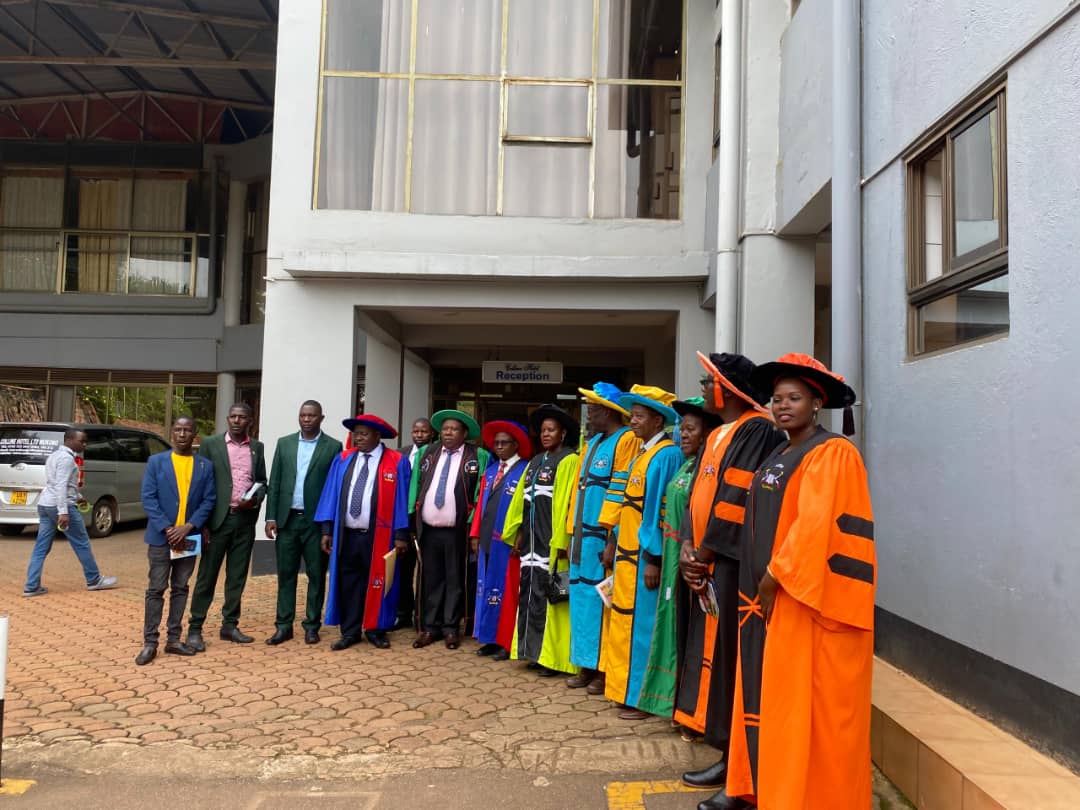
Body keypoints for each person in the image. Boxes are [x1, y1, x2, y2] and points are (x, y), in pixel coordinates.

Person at [723, 353, 875, 810]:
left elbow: (816, 526)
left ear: (817, 403)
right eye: (776, 399)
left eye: (794, 398)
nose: (782, 406)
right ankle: (768, 789)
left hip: (807, 600)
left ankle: (805, 798)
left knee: (805, 706)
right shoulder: (780, 452)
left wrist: (775, 576)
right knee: (773, 700)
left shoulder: (832, 452)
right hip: (768, 597)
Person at [674, 353, 784, 803]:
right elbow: (697, 494)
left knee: (732, 662)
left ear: (729, 389)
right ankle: (727, 753)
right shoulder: (719, 432)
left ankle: (739, 761)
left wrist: (704, 554)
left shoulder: (757, 430)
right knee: (715, 660)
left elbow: (736, 498)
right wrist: (687, 543)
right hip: (708, 561)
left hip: (733, 565)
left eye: (709, 381)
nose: (703, 388)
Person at [599, 385, 684, 720]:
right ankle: (624, 690)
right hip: (627, 553)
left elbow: (662, 512)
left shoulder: (666, 455)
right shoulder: (641, 453)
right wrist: (613, 542)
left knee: (644, 626)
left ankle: (643, 697)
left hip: (644, 559)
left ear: (658, 420)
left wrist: (654, 558)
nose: (632, 421)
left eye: (639, 416)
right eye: (632, 415)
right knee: (624, 620)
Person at [635, 397, 716, 717]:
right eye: (682, 429)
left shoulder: (708, 469)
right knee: (669, 626)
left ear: (707, 433)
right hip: (672, 557)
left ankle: (682, 704)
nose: (683, 434)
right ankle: (665, 700)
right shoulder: (685, 464)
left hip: (690, 562)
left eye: (691, 429)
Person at [564, 383, 640, 694]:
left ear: (608, 412)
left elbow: (622, 493)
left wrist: (613, 539)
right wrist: (570, 534)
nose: (588, 415)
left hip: (604, 539)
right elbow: (577, 491)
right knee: (582, 601)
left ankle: (605, 669)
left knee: (603, 602)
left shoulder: (626, 440)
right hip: (582, 537)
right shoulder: (592, 442)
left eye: (593, 410)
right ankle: (585, 664)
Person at [314, 414, 412, 650]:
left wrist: (401, 534)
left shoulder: (397, 461)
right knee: (349, 583)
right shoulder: (343, 459)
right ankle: (350, 631)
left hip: (379, 536)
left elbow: (403, 499)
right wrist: (327, 529)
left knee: (379, 582)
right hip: (347, 534)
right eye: (356, 433)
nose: (358, 438)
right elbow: (330, 494)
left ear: (377, 436)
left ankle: (376, 629)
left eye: (364, 434)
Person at [502, 404, 580, 677]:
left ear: (563, 433)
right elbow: (520, 502)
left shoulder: (569, 460)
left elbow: (566, 504)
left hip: (551, 543)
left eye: (551, 430)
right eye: (543, 430)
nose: (546, 434)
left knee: (553, 599)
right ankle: (531, 652)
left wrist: (562, 540)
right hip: (530, 544)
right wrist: (516, 532)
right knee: (529, 595)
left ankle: (552, 659)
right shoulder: (535, 462)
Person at [135, 417, 216, 665]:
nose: (182, 434)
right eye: (178, 430)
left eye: (187, 430)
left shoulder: (204, 466)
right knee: (156, 589)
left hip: (189, 538)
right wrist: (168, 528)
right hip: (161, 538)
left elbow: (209, 500)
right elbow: (148, 498)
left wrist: (189, 527)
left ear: (194, 434)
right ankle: (150, 642)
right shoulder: (156, 462)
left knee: (180, 587)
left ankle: (174, 640)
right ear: (172, 432)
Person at [185, 403, 267, 651]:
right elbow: (199, 484)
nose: (236, 421)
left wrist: (255, 499)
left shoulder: (257, 447)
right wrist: (201, 524)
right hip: (216, 522)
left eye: (242, 417)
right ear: (227, 419)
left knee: (237, 576)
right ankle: (195, 628)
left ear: (250, 421)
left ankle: (229, 625)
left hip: (244, 522)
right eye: (232, 416)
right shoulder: (211, 444)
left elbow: (262, 481)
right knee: (206, 576)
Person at [264, 401, 343, 646]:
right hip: (287, 521)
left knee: (316, 575)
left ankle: (311, 626)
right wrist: (270, 517)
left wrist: (329, 525)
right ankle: (283, 626)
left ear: (321, 418)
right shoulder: (284, 443)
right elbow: (275, 482)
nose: (306, 419)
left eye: (311, 415)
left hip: (315, 524)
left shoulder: (333, 447)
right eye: (302, 415)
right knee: (286, 575)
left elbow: (334, 488)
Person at [409, 409, 489, 650]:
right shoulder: (427, 453)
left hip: (458, 530)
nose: (448, 433)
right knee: (429, 578)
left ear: (464, 433)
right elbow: (415, 486)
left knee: (456, 579)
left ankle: (451, 628)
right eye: (445, 429)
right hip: (428, 529)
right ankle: (429, 627)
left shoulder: (478, 456)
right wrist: (411, 520)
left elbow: (481, 492)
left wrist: (474, 525)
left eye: (454, 429)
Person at [22, 427, 118, 597]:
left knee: (41, 547)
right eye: (82, 441)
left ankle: (31, 586)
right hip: (60, 505)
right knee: (81, 542)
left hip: (45, 504)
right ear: (69, 440)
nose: (84, 444)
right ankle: (94, 579)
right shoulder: (67, 459)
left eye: (85, 441)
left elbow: (59, 484)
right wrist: (63, 512)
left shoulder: (54, 455)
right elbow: (60, 485)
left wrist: (78, 497)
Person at [470, 420, 531, 660]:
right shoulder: (491, 470)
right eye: (496, 443)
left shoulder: (525, 469)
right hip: (487, 538)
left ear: (516, 445)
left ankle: (506, 641)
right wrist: (475, 534)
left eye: (504, 443)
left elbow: (527, 508)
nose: (499, 447)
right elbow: (480, 506)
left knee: (507, 591)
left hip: (508, 542)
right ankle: (489, 637)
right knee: (486, 589)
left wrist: (521, 535)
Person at [395, 417, 435, 631]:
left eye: (424, 431)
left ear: (432, 434)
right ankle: (403, 614)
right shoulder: (400, 454)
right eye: (416, 431)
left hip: (426, 521)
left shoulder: (437, 454)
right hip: (403, 521)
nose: (419, 435)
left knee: (427, 572)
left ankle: (424, 616)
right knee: (403, 571)